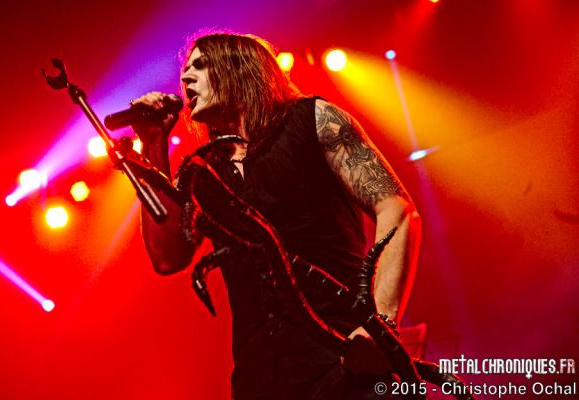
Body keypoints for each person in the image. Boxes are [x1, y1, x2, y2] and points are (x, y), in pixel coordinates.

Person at [133, 32, 421, 400]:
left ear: (239, 67)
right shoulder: (204, 173)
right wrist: (152, 144)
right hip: (260, 377)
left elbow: (396, 209)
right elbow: (167, 256)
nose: (186, 78)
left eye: (200, 66)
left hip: (344, 357)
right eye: (185, 72)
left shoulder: (311, 119)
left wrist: (381, 327)